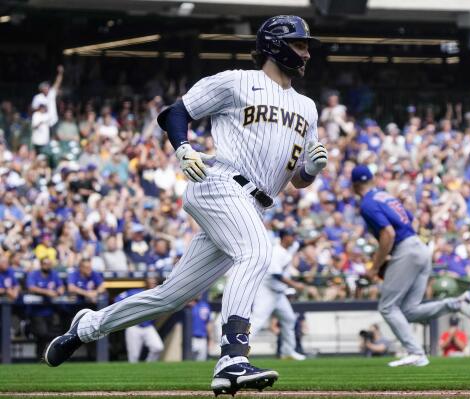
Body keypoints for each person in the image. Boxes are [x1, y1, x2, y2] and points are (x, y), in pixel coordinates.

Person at [44, 15, 328, 396]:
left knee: (171, 295)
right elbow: (175, 113)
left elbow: (297, 180)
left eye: (306, 44)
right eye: (299, 43)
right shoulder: (237, 81)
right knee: (258, 250)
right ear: (275, 45)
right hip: (218, 184)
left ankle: (87, 327)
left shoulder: (307, 108)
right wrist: (183, 148)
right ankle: (232, 357)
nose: (306, 51)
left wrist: (309, 170)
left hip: (254, 204)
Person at [350, 165, 470, 367]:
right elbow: (411, 220)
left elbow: (388, 234)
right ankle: (457, 304)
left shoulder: (367, 203)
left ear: (355, 185)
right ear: (372, 179)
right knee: (408, 311)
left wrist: (375, 267)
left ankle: (416, 352)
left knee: (387, 307)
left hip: (406, 249)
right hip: (419, 247)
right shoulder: (385, 196)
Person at [250, 229, 306, 361]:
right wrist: (295, 284)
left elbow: (302, 243)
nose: (294, 239)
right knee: (257, 321)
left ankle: (287, 352)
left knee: (289, 319)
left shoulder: (289, 248)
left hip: (279, 294)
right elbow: (276, 274)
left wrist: (318, 238)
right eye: (292, 236)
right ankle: (238, 351)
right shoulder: (276, 251)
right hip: (266, 291)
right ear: (285, 237)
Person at [114, 277, 164, 363]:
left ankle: (148, 368)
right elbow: (117, 299)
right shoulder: (136, 292)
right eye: (151, 283)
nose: (153, 285)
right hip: (134, 326)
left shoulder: (158, 296)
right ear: (146, 283)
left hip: (148, 327)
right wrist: (126, 312)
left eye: (154, 283)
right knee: (133, 357)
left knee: (158, 347)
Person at [27, 256, 65, 359]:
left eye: (48, 264)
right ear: (41, 264)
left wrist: (60, 290)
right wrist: (47, 292)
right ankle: (39, 355)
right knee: (42, 333)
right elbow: (31, 287)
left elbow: (61, 286)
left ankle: (46, 357)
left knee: (49, 334)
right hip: (37, 311)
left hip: (50, 310)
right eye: (44, 264)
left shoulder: (54, 274)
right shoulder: (34, 274)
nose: (46, 266)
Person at [190, 293, 212, 361]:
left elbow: (208, 323)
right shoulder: (189, 306)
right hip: (191, 338)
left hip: (203, 338)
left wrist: (210, 338)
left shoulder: (205, 306)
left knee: (201, 362)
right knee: (189, 362)